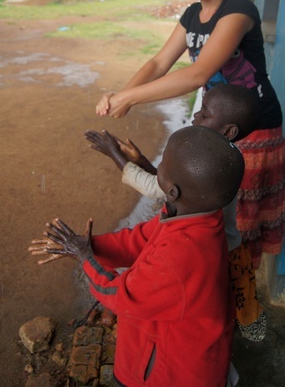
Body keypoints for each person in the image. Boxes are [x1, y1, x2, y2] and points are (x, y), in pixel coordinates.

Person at [95, 0, 285, 269]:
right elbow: (159, 62)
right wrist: (121, 94)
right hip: (216, 125)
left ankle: (236, 293)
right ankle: (205, 281)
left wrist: (132, 98)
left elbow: (197, 75)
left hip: (253, 127)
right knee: (209, 209)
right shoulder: (191, 15)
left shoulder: (238, 11)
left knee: (236, 219)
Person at [30, 126, 245, 387]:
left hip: (169, 373)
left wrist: (84, 257)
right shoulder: (195, 217)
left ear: (173, 190)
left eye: (163, 161)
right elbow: (138, 240)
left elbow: (120, 296)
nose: (159, 164)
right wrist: (88, 245)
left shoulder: (181, 260)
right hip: (180, 349)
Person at [87, 83, 266, 342]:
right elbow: (171, 184)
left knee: (223, 308)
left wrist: (116, 156)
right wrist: (140, 161)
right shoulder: (224, 156)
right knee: (224, 305)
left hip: (222, 254)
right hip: (227, 249)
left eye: (204, 114)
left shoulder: (210, 170)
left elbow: (158, 187)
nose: (195, 117)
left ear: (229, 130)